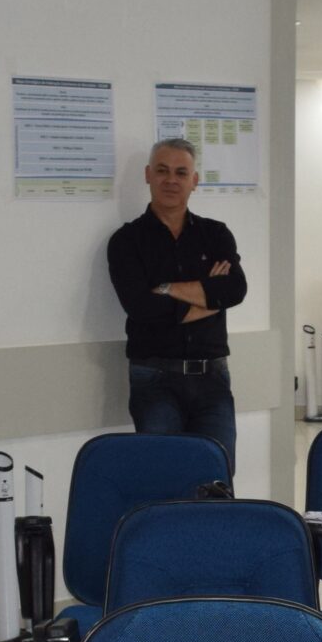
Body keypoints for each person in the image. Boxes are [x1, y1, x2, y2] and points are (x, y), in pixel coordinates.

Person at [107, 137, 246, 470]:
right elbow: (141, 308)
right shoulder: (126, 241)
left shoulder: (215, 235)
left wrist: (167, 289)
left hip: (212, 377)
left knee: (217, 480)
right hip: (154, 379)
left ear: (194, 181)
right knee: (163, 479)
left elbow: (235, 290)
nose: (171, 180)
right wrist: (207, 298)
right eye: (162, 170)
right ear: (148, 175)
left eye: (181, 172)